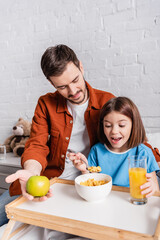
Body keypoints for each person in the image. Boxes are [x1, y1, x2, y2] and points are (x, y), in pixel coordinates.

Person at [0, 45, 159, 239]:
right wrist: (32, 173)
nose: (73, 90)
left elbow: (135, 141)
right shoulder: (45, 104)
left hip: (88, 184)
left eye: (75, 80)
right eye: (62, 87)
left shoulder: (105, 101)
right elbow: (36, 145)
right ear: (52, 84)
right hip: (51, 182)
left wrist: (154, 172)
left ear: (81, 67)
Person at [69, 97, 160, 196]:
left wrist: (151, 188)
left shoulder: (143, 152)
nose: (114, 131)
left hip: (133, 200)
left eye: (121, 125)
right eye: (108, 126)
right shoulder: (96, 150)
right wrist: (84, 170)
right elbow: (91, 185)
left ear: (134, 125)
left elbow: (155, 190)